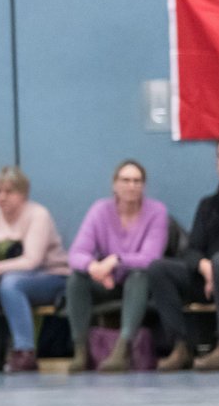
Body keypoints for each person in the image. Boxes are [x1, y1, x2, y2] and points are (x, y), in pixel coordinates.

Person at [149, 132, 219, 371]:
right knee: (159, 269)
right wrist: (205, 267)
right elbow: (191, 250)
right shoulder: (208, 205)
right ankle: (180, 347)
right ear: (218, 163)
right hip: (211, 278)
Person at [65, 159, 168, 372]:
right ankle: (80, 350)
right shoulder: (99, 210)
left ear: (143, 186)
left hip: (137, 284)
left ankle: (123, 348)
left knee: (140, 275)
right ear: (115, 184)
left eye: (137, 181)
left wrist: (116, 260)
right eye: (126, 180)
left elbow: (151, 257)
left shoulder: (157, 212)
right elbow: (76, 253)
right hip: (106, 282)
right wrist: (93, 267)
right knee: (76, 278)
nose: (131, 186)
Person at [0, 166, 69, 373]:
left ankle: (25, 351)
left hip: (50, 275)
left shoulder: (38, 215)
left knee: (11, 284)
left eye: (9, 191)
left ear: (23, 193)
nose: (2, 197)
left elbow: (31, 260)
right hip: (6, 277)